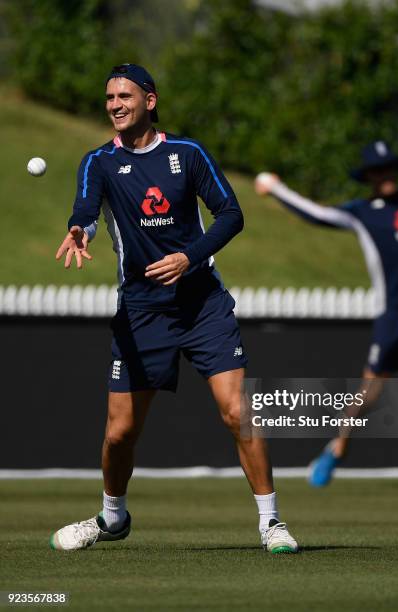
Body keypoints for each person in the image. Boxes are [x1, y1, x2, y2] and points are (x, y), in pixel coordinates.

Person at [51, 64, 297, 554]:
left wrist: (191, 256)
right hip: (141, 313)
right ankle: (113, 517)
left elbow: (232, 214)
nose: (115, 104)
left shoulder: (188, 153)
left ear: (150, 100)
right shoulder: (98, 162)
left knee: (237, 412)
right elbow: (87, 211)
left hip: (202, 303)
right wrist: (82, 230)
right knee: (120, 434)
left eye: (125, 96)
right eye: (109, 97)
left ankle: (271, 523)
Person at [255, 141, 398, 493]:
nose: (386, 174)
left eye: (390, 167)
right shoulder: (363, 212)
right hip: (393, 312)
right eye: (379, 170)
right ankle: (337, 447)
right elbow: (318, 214)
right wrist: (276, 189)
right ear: (369, 177)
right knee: (369, 394)